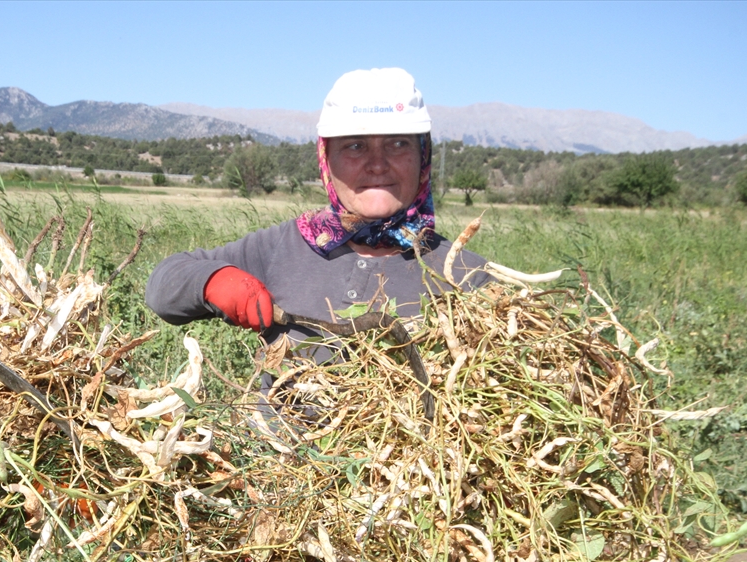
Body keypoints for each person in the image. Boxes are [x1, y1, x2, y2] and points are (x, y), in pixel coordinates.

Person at [146, 68, 489, 365]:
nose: (377, 163)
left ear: (423, 155)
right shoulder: (283, 246)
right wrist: (212, 281)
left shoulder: (468, 277)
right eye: (355, 146)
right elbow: (163, 287)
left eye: (398, 143)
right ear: (327, 160)